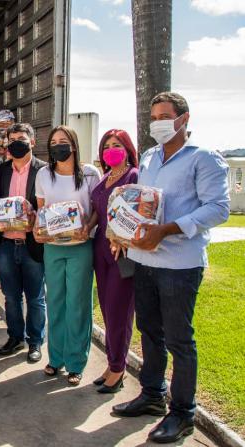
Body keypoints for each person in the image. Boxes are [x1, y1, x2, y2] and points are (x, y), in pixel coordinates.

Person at [112, 92, 230, 444]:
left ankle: (182, 413)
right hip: (145, 260)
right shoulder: (149, 157)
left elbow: (219, 208)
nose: (158, 122)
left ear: (184, 119)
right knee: (149, 330)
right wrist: (124, 228)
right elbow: (143, 202)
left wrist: (169, 228)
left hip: (180, 263)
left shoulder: (204, 159)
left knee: (179, 338)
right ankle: (151, 394)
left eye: (165, 115)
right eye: (154, 116)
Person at [34, 125, 101, 386]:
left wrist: (89, 226)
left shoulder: (89, 174)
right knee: (56, 302)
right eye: (54, 142)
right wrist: (38, 231)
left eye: (63, 141)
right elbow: (41, 211)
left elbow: (97, 208)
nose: (58, 145)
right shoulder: (43, 174)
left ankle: (76, 362)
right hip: (53, 247)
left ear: (73, 144)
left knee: (78, 304)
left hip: (80, 247)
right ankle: (56, 357)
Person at [90, 129, 139, 393]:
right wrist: (82, 227)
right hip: (101, 248)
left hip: (123, 253)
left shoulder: (133, 176)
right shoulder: (106, 177)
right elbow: (98, 213)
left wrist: (124, 238)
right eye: (107, 145)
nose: (111, 149)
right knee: (108, 310)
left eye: (117, 144)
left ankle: (119, 369)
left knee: (120, 312)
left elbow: (141, 213)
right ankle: (112, 363)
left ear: (127, 148)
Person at [0, 123, 47, 363]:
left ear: (32, 142)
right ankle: (15, 337)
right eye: (12, 138)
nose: (16, 142)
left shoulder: (44, 171)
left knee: (35, 297)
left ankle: (35, 342)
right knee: (11, 296)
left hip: (32, 244)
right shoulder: (1, 170)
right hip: (6, 244)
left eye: (22, 138)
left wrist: (35, 218)